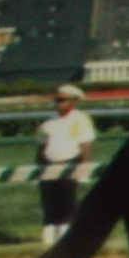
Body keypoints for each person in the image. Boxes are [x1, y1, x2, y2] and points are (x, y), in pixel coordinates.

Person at [36, 83, 95, 245]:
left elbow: (84, 144)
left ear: (72, 102)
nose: (58, 104)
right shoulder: (49, 122)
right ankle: (49, 231)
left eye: (62, 100)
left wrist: (82, 167)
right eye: (56, 100)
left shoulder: (80, 119)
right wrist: (39, 167)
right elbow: (42, 146)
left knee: (66, 199)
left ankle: (65, 232)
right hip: (49, 163)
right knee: (49, 198)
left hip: (69, 161)